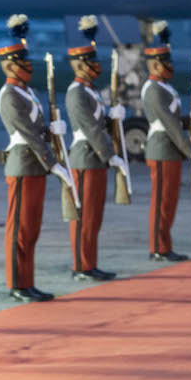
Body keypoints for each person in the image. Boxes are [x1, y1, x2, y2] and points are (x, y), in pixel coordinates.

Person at [0, 14, 72, 301]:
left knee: (32, 227)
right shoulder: (10, 95)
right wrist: (54, 164)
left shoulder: (27, 92)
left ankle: (27, 281)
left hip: (34, 167)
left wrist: (53, 129)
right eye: (21, 60)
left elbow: (38, 129)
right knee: (20, 228)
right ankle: (17, 283)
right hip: (25, 164)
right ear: (9, 64)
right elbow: (28, 134)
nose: (27, 64)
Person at [65, 15, 123, 281]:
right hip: (85, 159)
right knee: (83, 217)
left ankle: (90, 262)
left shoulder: (92, 92)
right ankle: (81, 265)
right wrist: (110, 154)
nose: (95, 66)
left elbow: (100, 123)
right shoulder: (76, 92)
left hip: (95, 160)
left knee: (94, 216)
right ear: (79, 65)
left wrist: (114, 117)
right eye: (90, 62)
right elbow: (90, 128)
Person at [140, 21, 191, 261]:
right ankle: (158, 247)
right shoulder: (155, 89)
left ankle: (164, 244)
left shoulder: (163, 87)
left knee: (169, 201)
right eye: (165, 63)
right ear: (155, 64)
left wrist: (190, 119)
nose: (170, 67)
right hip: (163, 149)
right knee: (161, 202)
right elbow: (169, 124)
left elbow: (175, 120)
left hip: (169, 150)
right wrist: (190, 150)